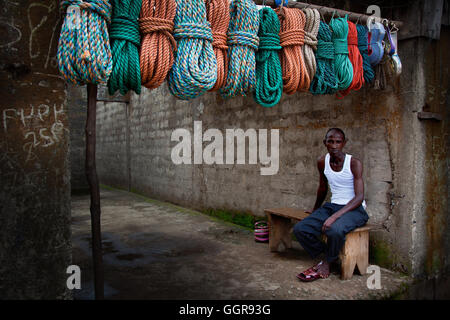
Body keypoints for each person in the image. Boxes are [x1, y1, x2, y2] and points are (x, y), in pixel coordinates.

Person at [294, 128, 369, 281]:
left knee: (334, 230)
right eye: (330, 141)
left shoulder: (354, 163)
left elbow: (359, 197)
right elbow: (322, 187)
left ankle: (327, 261)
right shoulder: (322, 161)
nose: (334, 145)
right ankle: (327, 256)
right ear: (325, 143)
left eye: (338, 142)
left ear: (344, 143)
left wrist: (334, 217)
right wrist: (315, 210)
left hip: (354, 208)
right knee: (301, 229)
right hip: (332, 206)